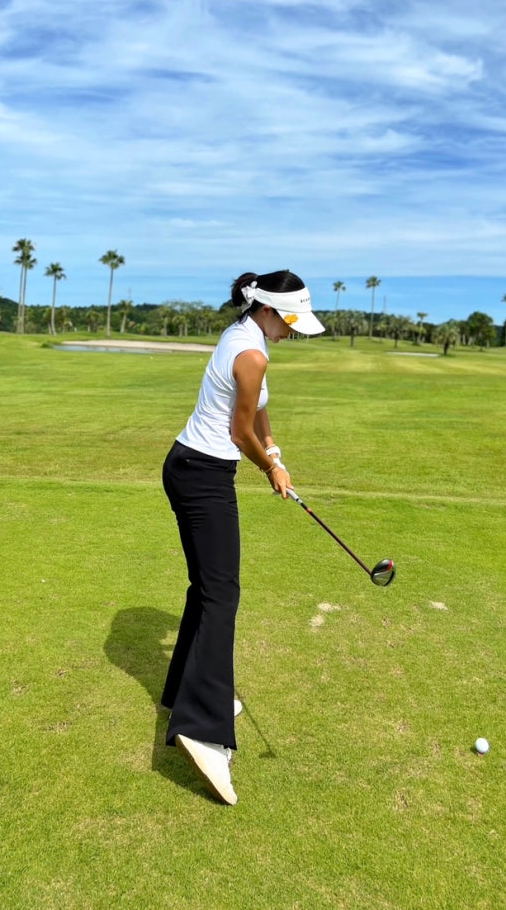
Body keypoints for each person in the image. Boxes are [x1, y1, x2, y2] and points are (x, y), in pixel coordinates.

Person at [160, 270, 325, 804]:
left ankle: (183, 693)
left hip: (189, 466)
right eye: (290, 322)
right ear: (268, 310)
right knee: (221, 594)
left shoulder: (246, 335)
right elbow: (239, 430)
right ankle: (202, 728)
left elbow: (258, 409)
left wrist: (274, 451)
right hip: (204, 475)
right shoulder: (251, 352)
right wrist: (270, 469)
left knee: (206, 589)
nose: (293, 331)